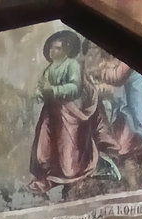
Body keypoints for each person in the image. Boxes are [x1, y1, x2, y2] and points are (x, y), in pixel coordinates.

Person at [29, 30, 117, 196]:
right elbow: (40, 88)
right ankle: (48, 177)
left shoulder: (72, 65)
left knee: (68, 153)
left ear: (66, 50)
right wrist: (40, 93)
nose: (52, 51)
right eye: (51, 48)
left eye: (57, 48)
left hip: (69, 113)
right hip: (51, 112)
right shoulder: (49, 69)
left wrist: (53, 90)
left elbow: (75, 88)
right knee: (44, 146)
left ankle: (80, 175)